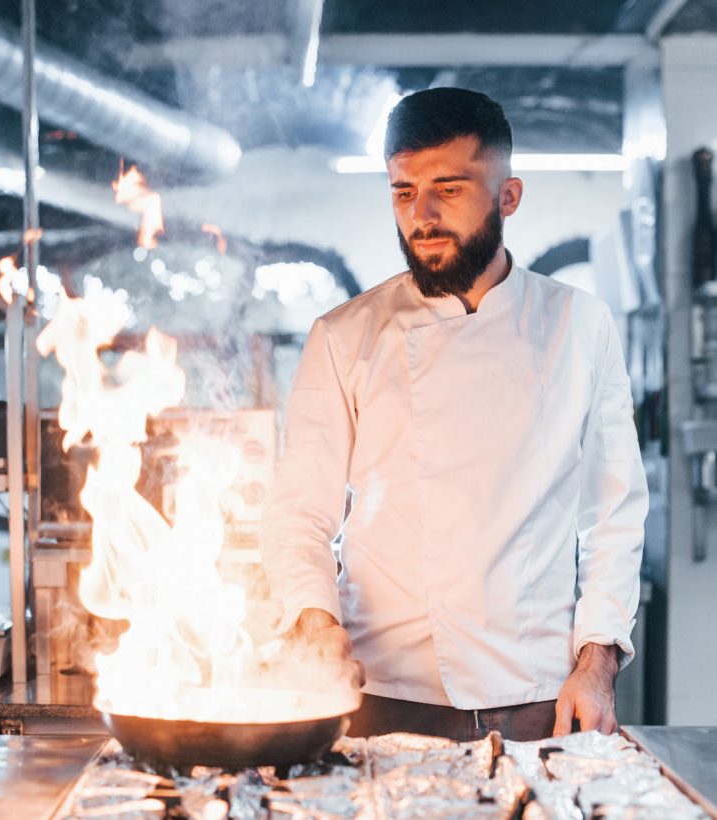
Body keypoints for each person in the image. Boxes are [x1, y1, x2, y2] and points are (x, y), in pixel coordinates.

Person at [259, 87, 649, 742]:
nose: (423, 215)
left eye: (449, 188)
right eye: (404, 191)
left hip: (535, 696)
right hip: (382, 694)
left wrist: (597, 664)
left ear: (508, 196)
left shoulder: (580, 325)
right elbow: (299, 513)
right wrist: (314, 623)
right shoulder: (344, 336)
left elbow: (614, 513)